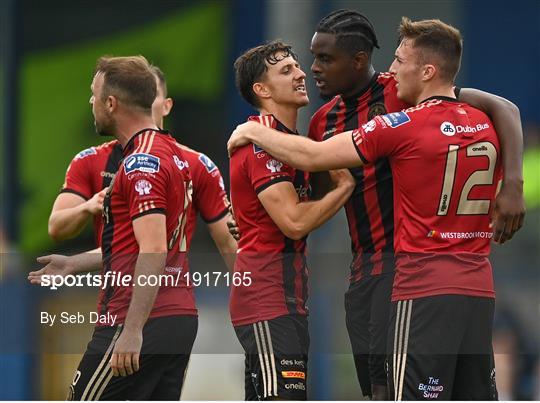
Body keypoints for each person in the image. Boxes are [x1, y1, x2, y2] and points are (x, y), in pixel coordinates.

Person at [228, 17, 524, 400]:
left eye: (325, 58)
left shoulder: (404, 96)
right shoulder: (323, 120)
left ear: (358, 60)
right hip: (365, 275)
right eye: (308, 59)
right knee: (378, 389)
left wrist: (513, 184)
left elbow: (504, 108)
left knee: (400, 390)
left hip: (406, 270)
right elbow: (311, 193)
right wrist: (257, 213)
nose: (312, 68)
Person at [31, 56, 196, 400]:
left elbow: (153, 249)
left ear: (111, 102)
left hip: (136, 317)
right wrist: (75, 263)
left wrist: (132, 329)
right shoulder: (174, 154)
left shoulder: (140, 162)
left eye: (94, 94)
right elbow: (144, 243)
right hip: (177, 317)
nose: (91, 102)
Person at [230, 41, 355, 400]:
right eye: (286, 71)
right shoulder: (261, 142)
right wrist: (343, 189)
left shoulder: (287, 142)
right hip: (265, 299)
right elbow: (294, 223)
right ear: (262, 90)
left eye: (297, 66)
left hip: (285, 300)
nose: (301, 73)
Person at [48, 66, 236, 269]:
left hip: (168, 294)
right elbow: (56, 228)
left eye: (150, 96)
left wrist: (251, 293)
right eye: (137, 97)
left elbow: (227, 242)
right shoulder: (90, 160)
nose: (143, 103)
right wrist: (88, 206)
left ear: (166, 106)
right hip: (115, 293)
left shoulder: (198, 165)